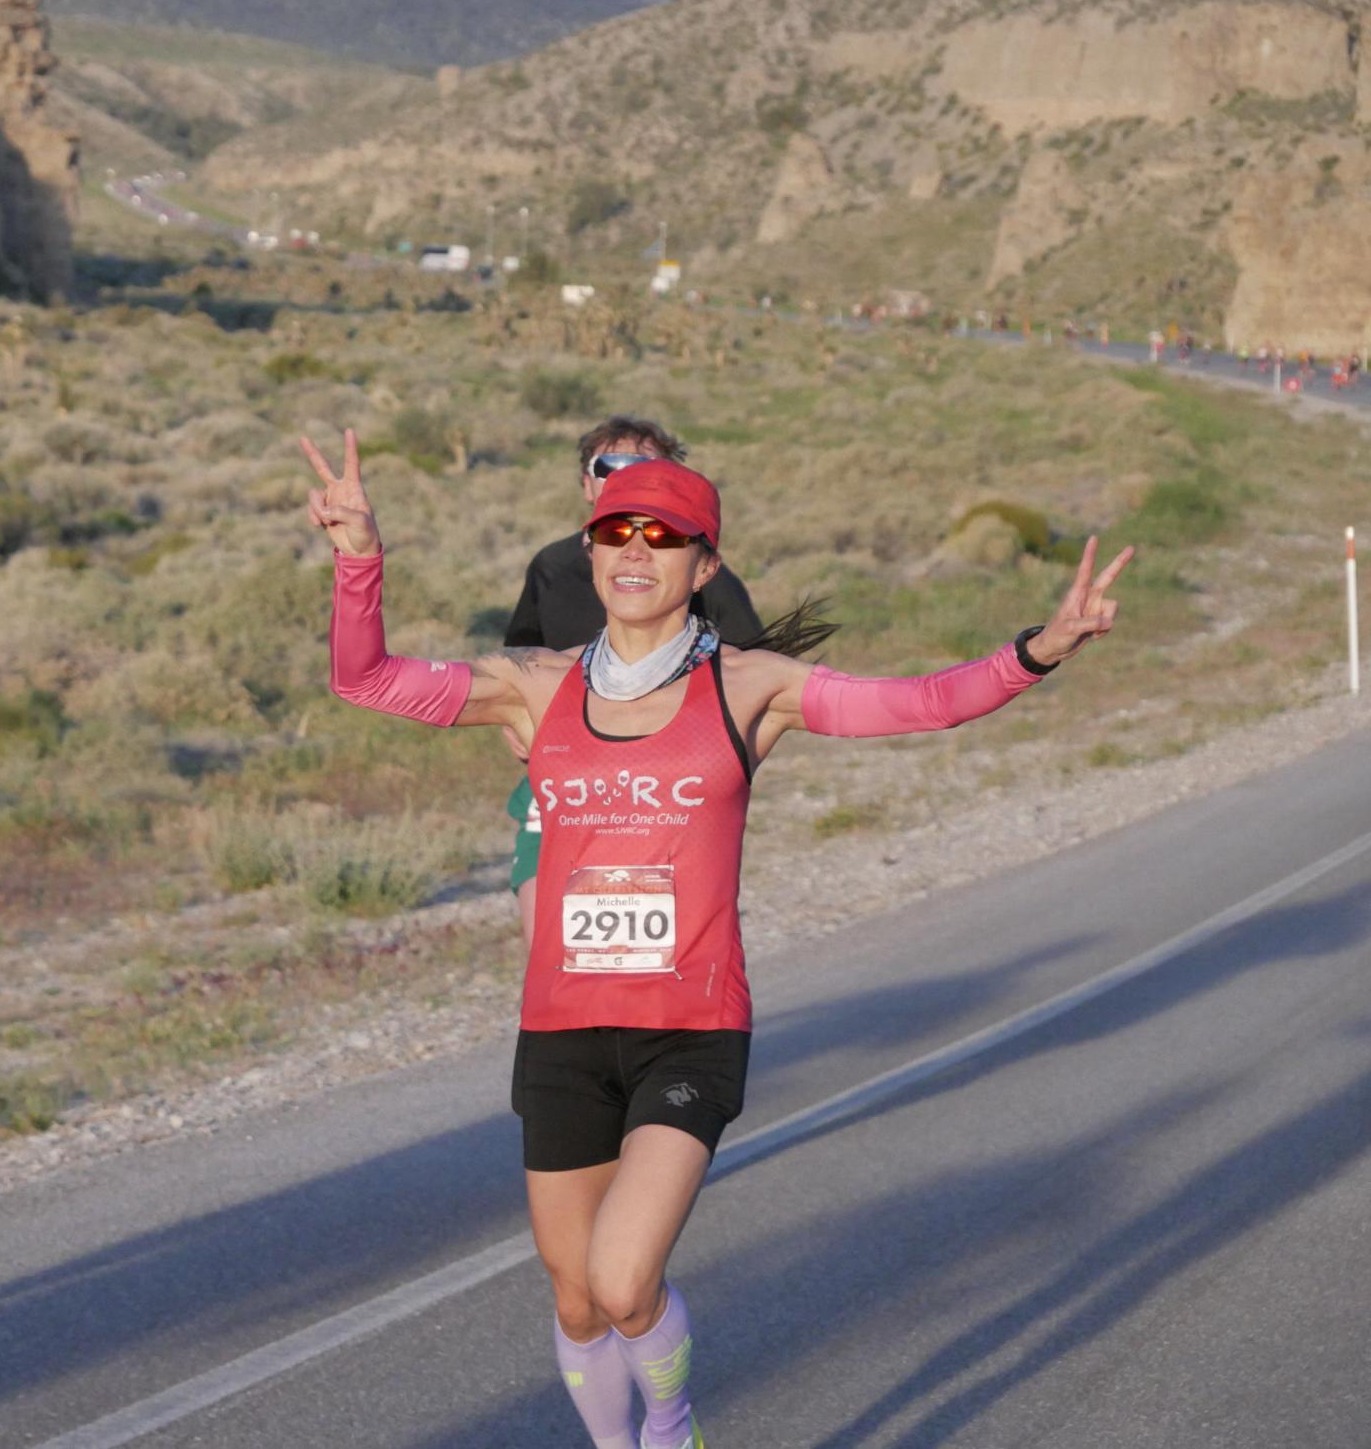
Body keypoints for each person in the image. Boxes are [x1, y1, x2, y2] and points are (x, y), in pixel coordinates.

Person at [300, 432, 1130, 1449]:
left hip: (688, 1031)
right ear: (589, 548)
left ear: (704, 565)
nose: (634, 550)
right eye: (616, 530)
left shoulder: (750, 686)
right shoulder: (534, 685)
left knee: (622, 1281)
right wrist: (357, 558)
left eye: (664, 536)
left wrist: (1037, 650)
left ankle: (671, 1426)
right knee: (575, 1299)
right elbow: (366, 680)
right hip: (561, 1031)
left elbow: (919, 705)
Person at [503, 418, 765, 948]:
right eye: (609, 466)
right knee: (548, 946)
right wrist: (514, 720)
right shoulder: (551, 565)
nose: (625, 476)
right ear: (586, 483)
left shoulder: (690, 567)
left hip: (664, 780)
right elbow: (519, 659)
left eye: (644, 465)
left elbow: (755, 665)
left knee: (663, 949)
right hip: (563, 772)